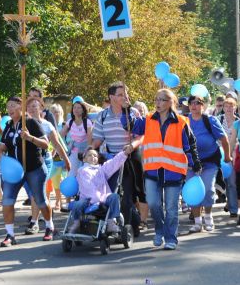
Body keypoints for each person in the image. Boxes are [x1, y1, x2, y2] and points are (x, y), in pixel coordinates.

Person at [132, 88, 201, 249]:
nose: (157, 103)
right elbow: (131, 126)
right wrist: (126, 109)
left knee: (171, 207)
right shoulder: (148, 119)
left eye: (162, 100)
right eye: (156, 99)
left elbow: (190, 144)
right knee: (153, 204)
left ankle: (171, 238)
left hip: (173, 171)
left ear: (171, 102)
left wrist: (195, 162)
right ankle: (159, 229)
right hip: (152, 170)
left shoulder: (181, 121)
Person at [92, 82, 145, 236]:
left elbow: (141, 135)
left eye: (125, 94)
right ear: (111, 97)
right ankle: (112, 224)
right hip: (110, 160)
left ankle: (128, 227)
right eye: (120, 94)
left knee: (127, 194)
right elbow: (98, 139)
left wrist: (132, 146)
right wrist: (90, 149)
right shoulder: (102, 115)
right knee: (109, 193)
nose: (124, 97)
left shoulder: (132, 112)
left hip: (129, 157)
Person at [0, 96, 51, 247]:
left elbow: (46, 144)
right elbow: (3, 146)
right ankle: (10, 235)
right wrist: (0, 154)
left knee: (40, 200)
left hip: (34, 168)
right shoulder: (8, 125)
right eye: (8, 106)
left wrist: (30, 137)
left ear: (21, 107)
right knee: (7, 200)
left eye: (13, 105)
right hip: (14, 170)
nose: (10, 109)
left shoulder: (31, 123)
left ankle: (49, 227)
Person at [23, 96, 71, 235]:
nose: (32, 108)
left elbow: (56, 144)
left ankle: (35, 222)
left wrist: (66, 160)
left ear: (41, 108)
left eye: (35, 106)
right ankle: (48, 223)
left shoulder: (47, 125)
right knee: (36, 193)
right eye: (29, 106)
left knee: (37, 192)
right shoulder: (23, 125)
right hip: (29, 162)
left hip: (45, 161)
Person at [186, 95, 231, 232]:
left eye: (197, 103)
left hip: (210, 160)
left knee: (208, 189)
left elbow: (224, 139)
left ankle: (208, 217)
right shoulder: (185, 121)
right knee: (194, 191)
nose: (194, 106)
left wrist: (227, 156)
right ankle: (197, 223)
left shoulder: (210, 120)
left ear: (203, 105)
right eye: (191, 103)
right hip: (191, 162)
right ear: (188, 106)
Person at [66, 148, 129, 234]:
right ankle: (76, 222)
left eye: (95, 156)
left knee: (114, 197)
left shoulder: (101, 169)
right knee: (77, 204)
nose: (93, 157)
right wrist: (96, 199)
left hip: (102, 197)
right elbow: (88, 186)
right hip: (87, 199)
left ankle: (111, 222)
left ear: (98, 159)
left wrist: (124, 153)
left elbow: (113, 163)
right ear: (84, 159)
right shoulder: (82, 170)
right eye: (90, 155)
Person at [217, 96, 239, 217]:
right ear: (223, 108)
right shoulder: (218, 120)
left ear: (235, 107)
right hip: (218, 156)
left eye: (231, 106)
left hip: (233, 156)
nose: (229, 108)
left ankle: (233, 209)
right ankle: (196, 213)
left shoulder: (239, 121)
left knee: (231, 183)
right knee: (213, 183)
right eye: (226, 106)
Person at [60, 100, 93, 178]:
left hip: (86, 152)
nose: (76, 109)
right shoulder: (70, 122)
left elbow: (89, 140)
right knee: (71, 175)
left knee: (85, 175)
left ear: (83, 110)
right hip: (74, 152)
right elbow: (59, 135)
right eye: (74, 107)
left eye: (79, 108)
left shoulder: (87, 122)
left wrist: (88, 154)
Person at [48, 102, 66, 211]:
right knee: (54, 181)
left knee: (60, 181)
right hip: (52, 156)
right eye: (54, 112)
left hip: (63, 156)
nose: (56, 114)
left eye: (58, 112)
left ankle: (61, 201)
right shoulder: (48, 126)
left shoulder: (64, 125)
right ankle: (56, 202)